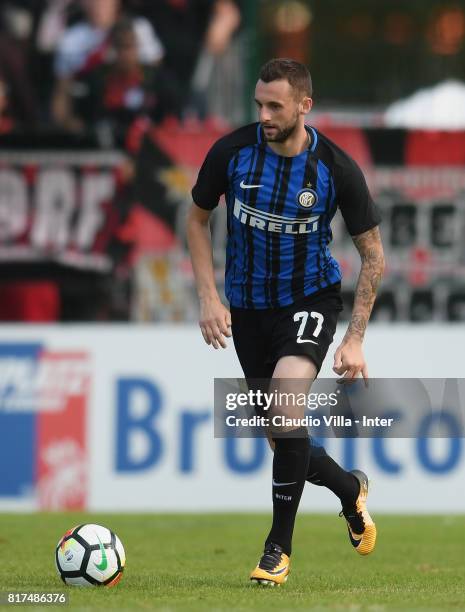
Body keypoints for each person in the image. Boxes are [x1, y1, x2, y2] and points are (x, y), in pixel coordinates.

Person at [187, 58, 385, 585]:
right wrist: (208, 297)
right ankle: (349, 490)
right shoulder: (231, 153)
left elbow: (374, 256)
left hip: (310, 300)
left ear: (304, 105)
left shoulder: (336, 168)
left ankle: (277, 550)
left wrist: (356, 338)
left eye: (275, 105)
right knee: (281, 435)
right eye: (259, 104)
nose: (265, 114)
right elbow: (196, 219)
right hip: (248, 309)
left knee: (283, 403)